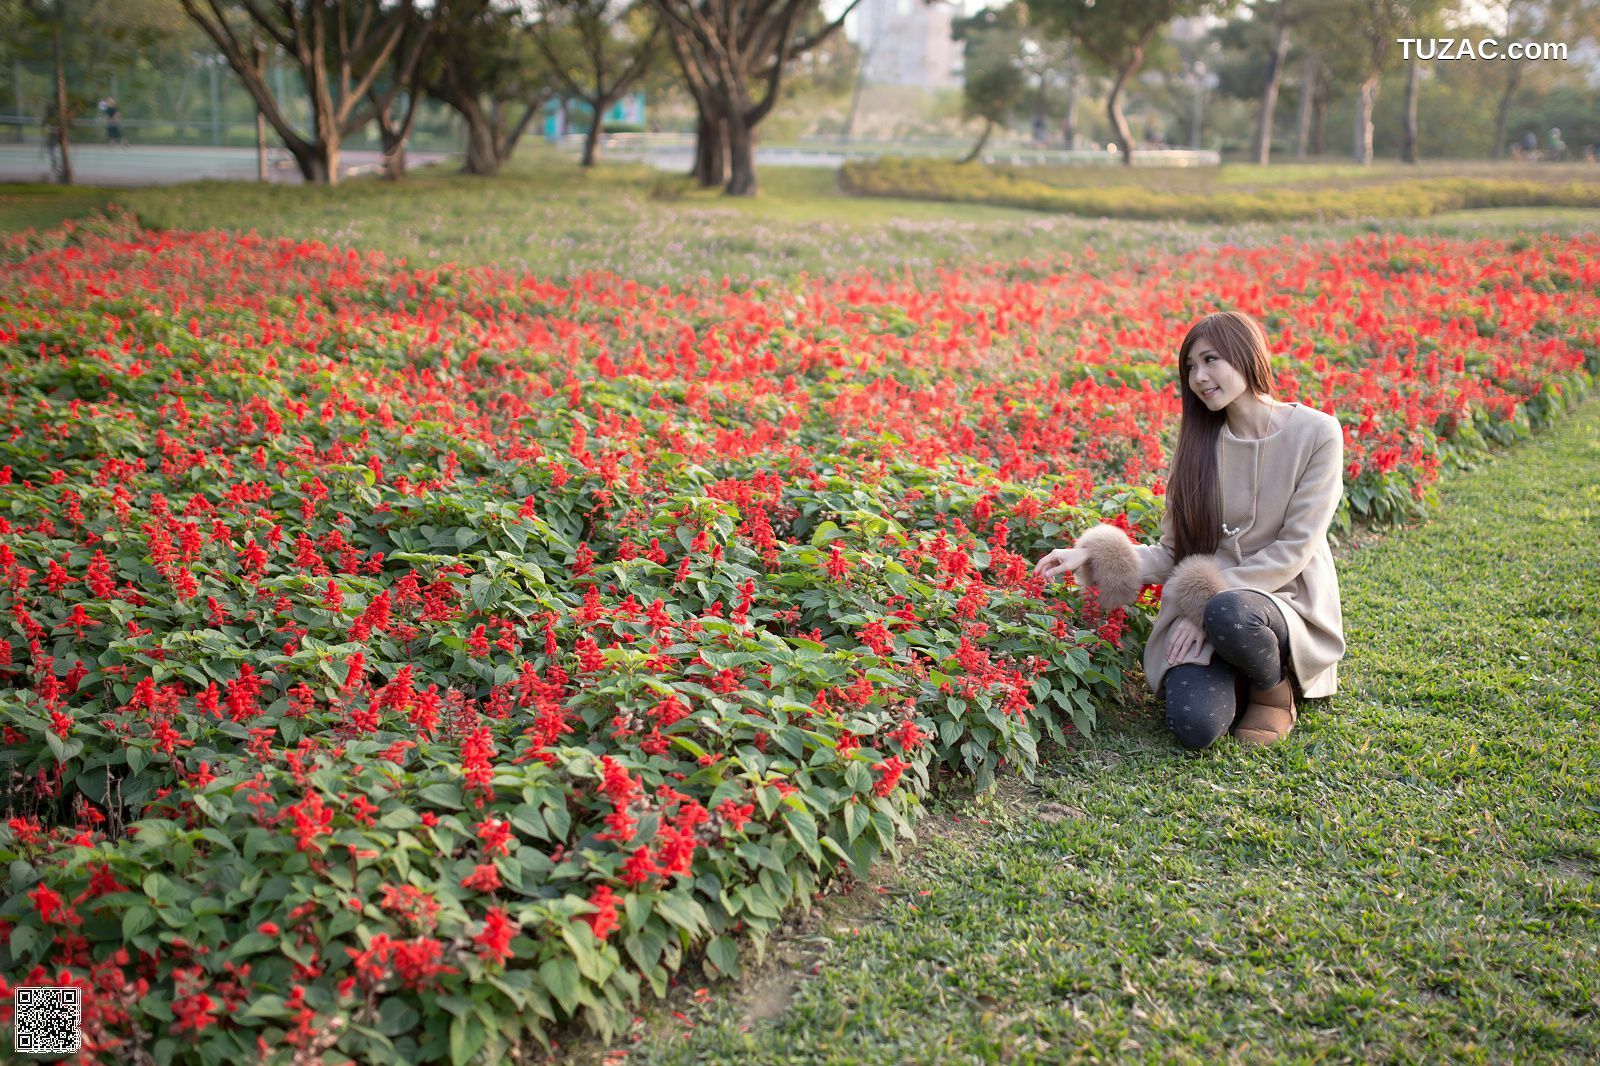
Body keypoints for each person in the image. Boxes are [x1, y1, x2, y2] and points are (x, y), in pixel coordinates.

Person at [1033, 311, 1346, 750]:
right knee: (1194, 725)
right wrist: (1093, 553)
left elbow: (1294, 548)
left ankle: (1273, 691)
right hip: (1212, 607)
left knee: (1229, 612)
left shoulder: (1316, 432)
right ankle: (1239, 665)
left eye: (1211, 360)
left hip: (1283, 598)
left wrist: (1206, 607)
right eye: (1190, 366)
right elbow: (1172, 553)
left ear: (1246, 354)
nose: (1199, 377)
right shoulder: (1198, 445)